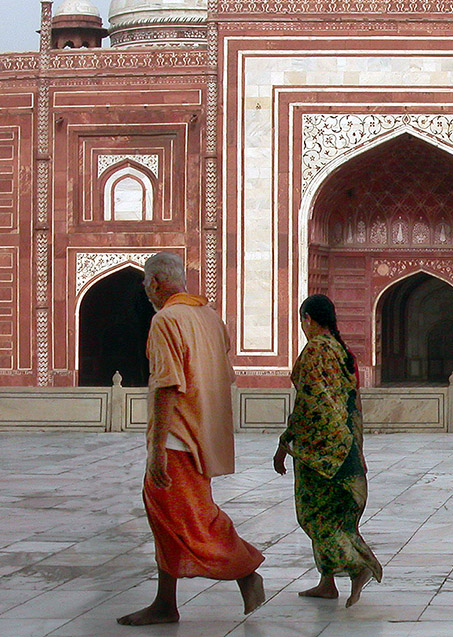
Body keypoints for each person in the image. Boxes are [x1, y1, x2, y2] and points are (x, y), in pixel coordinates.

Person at [118, 252, 265, 625]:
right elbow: (226, 375)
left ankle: (246, 571)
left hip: (177, 438)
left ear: (154, 283)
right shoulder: (210, 317)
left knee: (193, 520)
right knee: (167, 519)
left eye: (147, 286)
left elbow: (167, 385)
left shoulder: (166, 319)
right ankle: (165, 602)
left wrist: (156, 451)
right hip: (205, 433)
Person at [273, 294, 382, 607]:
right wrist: (357, 447)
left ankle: (357, 567)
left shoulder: (315, 351)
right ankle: (327, 582)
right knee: (338, 517)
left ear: (308, 318)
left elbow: (311, 403)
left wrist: (285, 441)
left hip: (321, 453)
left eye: (302, 321)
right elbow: (353, 404)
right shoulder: (341, 351)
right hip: (345, 447)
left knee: (314, 516)